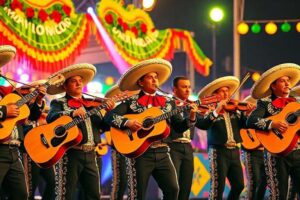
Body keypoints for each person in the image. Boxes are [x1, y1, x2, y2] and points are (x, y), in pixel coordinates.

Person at [105, 58, 198, 200]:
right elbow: (109, 117)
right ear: (141, 82)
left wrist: (191, 116)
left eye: (156, 77)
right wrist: (127, 122)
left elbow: (179, 126)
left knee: (173, 190)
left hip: (163, 152)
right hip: (140, 154)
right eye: (150, 77)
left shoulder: (168, 102)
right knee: (138, 194)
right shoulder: (131, 102)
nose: (155, 80)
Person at [46, 63, 114, 200]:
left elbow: (104, 126)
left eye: (80, 81)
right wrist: (72, 113)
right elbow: (51, 117)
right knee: (65, 194)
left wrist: (109, 112)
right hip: (70, 154)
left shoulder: (91, 103)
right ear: (64, 86)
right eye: (73, 81)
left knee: (94, 195)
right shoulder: (59, 103)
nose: (78, 84)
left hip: (91, 154)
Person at [247, 63, 300, 199]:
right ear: (273, 85)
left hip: (298, 152)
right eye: (283, 81)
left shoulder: (296, 102)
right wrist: (272, 124)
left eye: (288, 81)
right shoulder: (265, 103)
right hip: (275, 154)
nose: (287, 83)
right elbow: (251, 121)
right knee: (278, 196)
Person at [0, 45, 46, 200]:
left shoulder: (9, 93)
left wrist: (38, 99)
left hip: (14, 150)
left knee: (21, 195)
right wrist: (5, 112)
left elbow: (31, 116)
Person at [197, 76, 254, 200]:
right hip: (218, 151)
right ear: (215, 94)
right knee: (217, 187)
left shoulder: (234, 109)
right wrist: (217, 110)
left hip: (234, 151)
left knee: (239, 186)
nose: (226, 93)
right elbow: (203, 125)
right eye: (222, 91)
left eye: (227, 90)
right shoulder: (209, 110)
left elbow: (245, 125)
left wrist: (248, 114)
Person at [168, 76, 207, 200]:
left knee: (186, 187)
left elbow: (203, 124)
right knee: (173, 187)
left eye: (189, 87)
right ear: (174, 89)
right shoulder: (169, 104)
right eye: (184, 87)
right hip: (172, 146)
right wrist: (192, 115)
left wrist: (215, 113)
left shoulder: (191, 105)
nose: (188, 90)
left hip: (188, 147)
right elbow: (179, 126)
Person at [20, 81, 55, 200]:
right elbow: (24, 125)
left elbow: (37, 115)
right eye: (35, 90)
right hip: (29, 149)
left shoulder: (41, 105)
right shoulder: (21, 105)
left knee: (54, 182)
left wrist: (40, 100)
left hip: (43, 148)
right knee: (30, 186)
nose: (38, 91)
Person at [241, 95, 267, 200]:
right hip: (250, 151)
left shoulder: (267, 105)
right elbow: (242, 126)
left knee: (264, 181)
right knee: (254, 181)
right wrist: (247, 114)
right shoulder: (249, 101)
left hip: (264, 150)